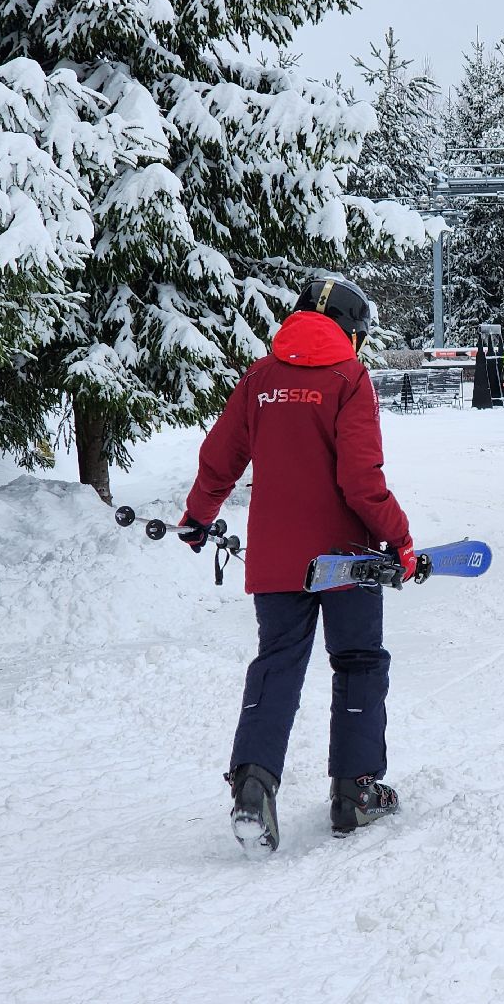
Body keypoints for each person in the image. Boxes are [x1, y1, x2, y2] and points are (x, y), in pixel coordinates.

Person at [180, 274, 415, 854]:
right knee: (358, 663)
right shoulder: (349, 379)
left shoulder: (260, 378)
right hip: (347, 563)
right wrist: (400, 541)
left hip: (277, 556)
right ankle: (354, 794)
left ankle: (253, 788)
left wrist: (199, 514)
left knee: (278, 664)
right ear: (350, 328)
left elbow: (222, 455)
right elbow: (360, 482)